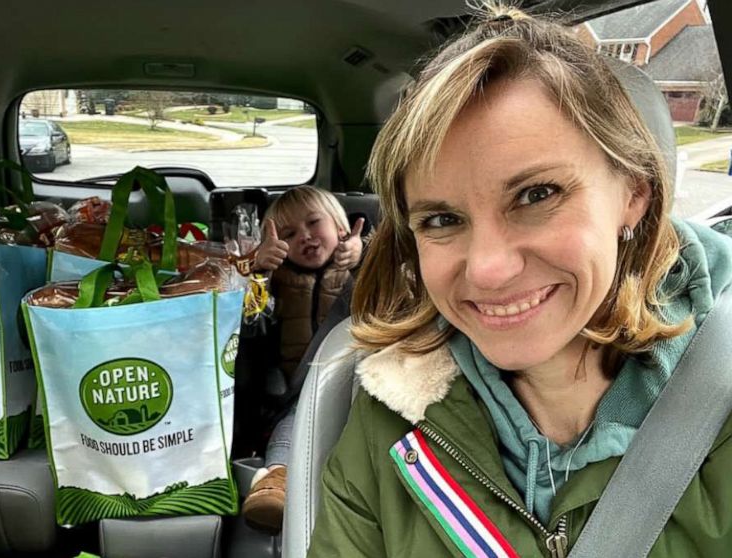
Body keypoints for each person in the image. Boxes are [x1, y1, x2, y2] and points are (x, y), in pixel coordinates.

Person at [308, 5, 732, 558]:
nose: (488, 268)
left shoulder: (719, 385)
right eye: (442, 220)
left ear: (633, 194)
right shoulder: (386, 419)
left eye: (537, 195)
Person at [241, 186, 365, 533]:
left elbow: (388, 296)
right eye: (290, 234)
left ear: (340, 227)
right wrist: (259, 271)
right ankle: (276, 480)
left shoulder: (356, 272)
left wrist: (362, 255)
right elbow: (249, 323)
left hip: (358, 383)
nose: (306, 237)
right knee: (292, 427)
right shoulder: (277, 281)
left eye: (314, 223)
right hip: (298, 393)